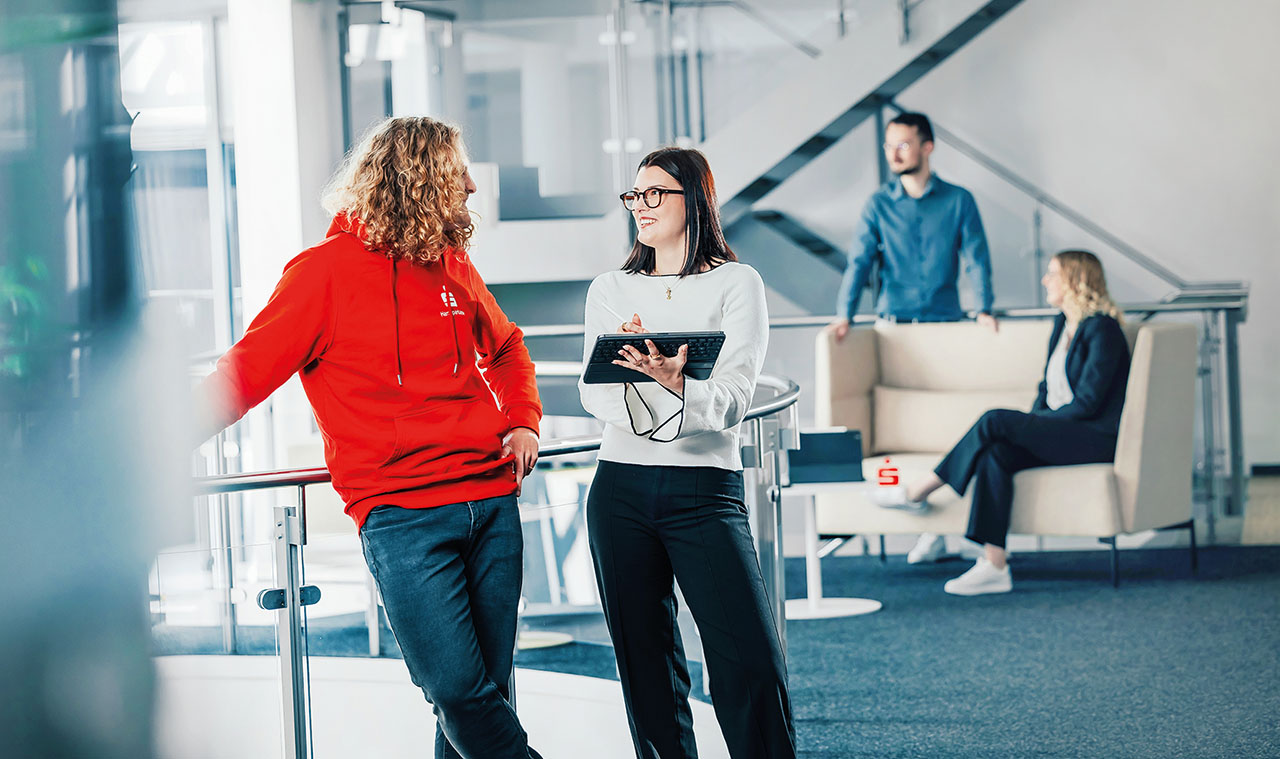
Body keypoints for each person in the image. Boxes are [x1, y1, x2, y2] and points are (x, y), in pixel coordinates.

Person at [194, 117, 544, 759]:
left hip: (493, 503)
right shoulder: (321, 275)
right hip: (404, 516)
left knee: (485, 695)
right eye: (457, 174)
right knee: (458, 693)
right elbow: (241, 376)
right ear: (417, 181)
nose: (471, 187)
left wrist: (522, 417)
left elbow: (507, 346)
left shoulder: (451, 263)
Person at [578, 147, 796, 759]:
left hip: (704, 490)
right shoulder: (610, 289)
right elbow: (594, 392)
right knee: (645, 664)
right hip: (619, 490)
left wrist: (675, 389)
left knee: (749, 662)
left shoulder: (737, 283)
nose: (640, 206)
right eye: (634, 195)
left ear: (693, 200)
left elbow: (734, 397)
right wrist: (668, 397)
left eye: (654, 194)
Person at [879, 250, 1131, 595]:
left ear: (1076, 280)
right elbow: (1047, 389)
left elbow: (1088, 403)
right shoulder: (1062, 324)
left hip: (1094, 437)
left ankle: (918, 491)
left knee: (994, 420)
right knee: (995, 452)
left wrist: (1034, 424)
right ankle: (994, 565)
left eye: (1053, 274)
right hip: (1061, 431)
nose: (1045, 280)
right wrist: (1034, 425)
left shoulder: (1103, 329)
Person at [831, 110, 997, 564]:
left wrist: (984, 308)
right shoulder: (877, 205)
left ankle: (948, 524)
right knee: (902, 428)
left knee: (943, 426)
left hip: (945, 326)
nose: (894, 153)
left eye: (903, 144)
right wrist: (844, 315)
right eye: (889, 146)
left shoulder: (959, 200)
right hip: (894, 328)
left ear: (927, 147)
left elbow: (977, 256)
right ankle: (928, 528)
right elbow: (859, 262)